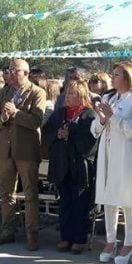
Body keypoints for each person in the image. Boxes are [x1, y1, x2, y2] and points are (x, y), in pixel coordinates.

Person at [92, 61, 132, 264]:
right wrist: (101, 120)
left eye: (116, 74)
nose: (112, 78)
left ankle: (129, 242)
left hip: (127, 154)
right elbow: (96, 128)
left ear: (128, 78)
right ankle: (110, 240)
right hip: (107, 152)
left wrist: (112, 117)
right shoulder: (108, 97)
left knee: (127, 199)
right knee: (109, 198)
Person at [0, 59, 47, 250]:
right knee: (6, 193)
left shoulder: (38, 92)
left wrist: (15, 113)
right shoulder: (4, 92)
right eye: (10, 70)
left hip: (26, 150)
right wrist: (3, 118)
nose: (11, 73)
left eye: (16, 70)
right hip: (5, 150)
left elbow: (36, 121)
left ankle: (32, 233)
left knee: (30, 193)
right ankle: (8, 231)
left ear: (26, 73)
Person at [42, 79, 98, 254]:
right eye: (67, 93)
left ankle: (79, 238)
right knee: (64, 201)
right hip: (62, 164)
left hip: (80, 166)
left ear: (81, 95)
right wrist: (57, 134)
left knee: (80, 203)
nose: (68, 96)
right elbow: (47, 132)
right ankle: (65, 237)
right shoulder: (60, 113)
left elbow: (89, 143)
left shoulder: (89, 115)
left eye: (72, 93)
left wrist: (70, 134)